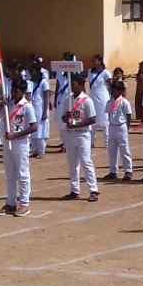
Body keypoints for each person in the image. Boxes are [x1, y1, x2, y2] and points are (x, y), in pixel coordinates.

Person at [0, 78, 38, 216]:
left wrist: (16, 135)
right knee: (10, 174)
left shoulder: (27, 107)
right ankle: (11, 203)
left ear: (22, 92)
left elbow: (34, 127)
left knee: (22, 173)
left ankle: (24, 203)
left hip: (21, 143)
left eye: (17, 91)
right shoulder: (8, 105)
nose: (13, 93)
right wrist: (0, 106)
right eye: (13, 90)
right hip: (8, 143)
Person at [62, 73, 100, 201]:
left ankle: (93, 189)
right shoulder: (68, 99)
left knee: (86, 161)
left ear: (80, 84)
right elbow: (63, 117)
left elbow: (92, 119)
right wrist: (66, 117)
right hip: (70, 134)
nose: (72, 87)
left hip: (83, 134)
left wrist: (77, 124)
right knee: (72, 163)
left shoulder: (87, 100)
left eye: (74, 84)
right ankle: (74, 190)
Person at [103, 80, 133, 180]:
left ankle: (128, 171)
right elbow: (108, 114)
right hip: (112, 126)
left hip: (121, 126)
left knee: (124, 150)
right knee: (112, 150)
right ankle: (113, 171)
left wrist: (127, 128)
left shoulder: (124, 102)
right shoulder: (109, 101)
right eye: (112, 89)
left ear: (119, 91)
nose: (113, 91)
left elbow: (128, 115)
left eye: (115, 89)